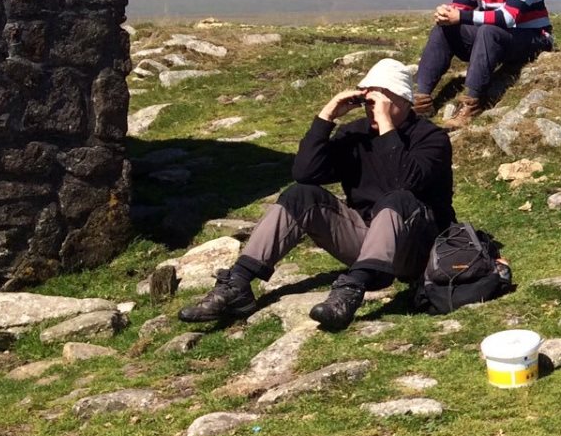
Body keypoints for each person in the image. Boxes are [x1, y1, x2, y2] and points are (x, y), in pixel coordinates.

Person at [178, 59, 455, 331]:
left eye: (380, 101)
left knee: (398, 198)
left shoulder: (431, 138)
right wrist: (327, 116)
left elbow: (403, 181)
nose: (371, 110)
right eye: (369, 103)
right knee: (301, 195)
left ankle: (351, 290)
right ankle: (238, 283)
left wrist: (386, 125)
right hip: (367, 239)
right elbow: (305, 173)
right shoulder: (355, 134)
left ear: (403, 101)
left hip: (418, 247)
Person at [413, 0, 552, 127]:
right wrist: (447, 12)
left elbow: (508, 18)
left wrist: (461, 17)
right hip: (498, 37)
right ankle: (421, 99)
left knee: (488, 31)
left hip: (532, 38)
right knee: (445, 28)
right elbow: (460, 5)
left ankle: (472, 101)